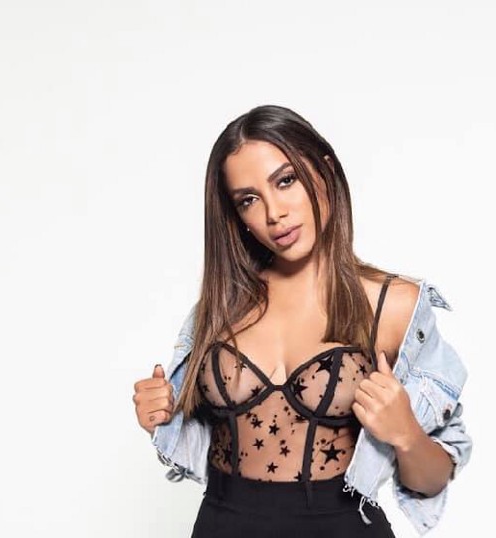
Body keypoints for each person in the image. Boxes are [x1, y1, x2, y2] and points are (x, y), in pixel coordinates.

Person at [132, 104, 472, 537]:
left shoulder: (393, 304)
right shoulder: (220, 307)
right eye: (249, 200)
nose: (273, 213)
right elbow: (189, 428)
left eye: (286, 180)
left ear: (324, 170)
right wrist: (160, 412)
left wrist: (406, 433)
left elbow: (432, 479)